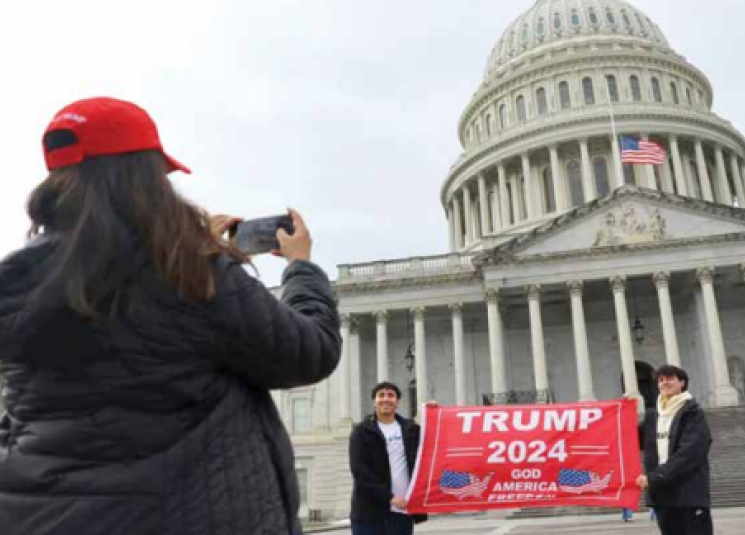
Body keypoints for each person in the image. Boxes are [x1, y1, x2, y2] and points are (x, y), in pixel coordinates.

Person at [0, 97, 341, 535]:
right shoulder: (190, 277)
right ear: (143, 179)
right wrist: (301, 269)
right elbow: (311, 352)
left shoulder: (19, 283)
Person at [636, 365, 713, 535]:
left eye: (669, 378)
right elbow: (630, 440)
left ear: (682, 383)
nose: (664, 383)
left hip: (688, 495)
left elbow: (691, 453)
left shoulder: (692, 413)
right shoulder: (653, 416)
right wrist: (620, 414)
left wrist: (656, 477)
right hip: (663, 497)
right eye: (661, 380)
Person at [349, 382, 427, 535]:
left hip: (402, 512)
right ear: (374, 401)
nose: (386, 399)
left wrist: (434, 412)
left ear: (397, 402)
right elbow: (359, 471)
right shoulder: (361, 432)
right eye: (381, 395)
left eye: (391, 395)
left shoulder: (411, 430)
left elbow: (433, 445)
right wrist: (389, 498)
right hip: (369, 514)